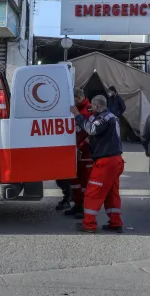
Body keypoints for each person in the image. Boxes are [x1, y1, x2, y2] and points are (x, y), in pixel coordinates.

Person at [70, 95, 125, 233]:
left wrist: (78, 116)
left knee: (93, 193)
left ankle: (88, 224)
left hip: (105, 162)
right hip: (115, 160)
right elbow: (96, 137)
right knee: (112, 193)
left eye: (93, 107)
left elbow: (92, 130)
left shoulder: (104, 118)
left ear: (98, 106)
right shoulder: (112, 117)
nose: (91, 109)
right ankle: (115, 222)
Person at [64, 87, 93, 218]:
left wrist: (80, 146)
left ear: (79, 98)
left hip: (86, 153)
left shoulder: (89, 110)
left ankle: (85, 208)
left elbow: (91, 134)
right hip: (74, 151)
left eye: (74, 98)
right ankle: (77, 204)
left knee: (84, 182)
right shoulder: (76, 109)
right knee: (74, 181)